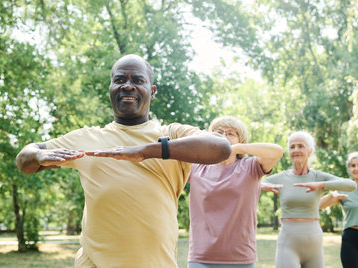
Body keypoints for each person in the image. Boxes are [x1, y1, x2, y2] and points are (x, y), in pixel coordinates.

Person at [15, 54, 232, 268]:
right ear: (110, 90)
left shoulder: (173, 134)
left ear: (152, 92)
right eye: (120, 80)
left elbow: (221, 147)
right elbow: (24, 160)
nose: (128, 86)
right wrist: (38, 155)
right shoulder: (87, 138)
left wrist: (145, 151)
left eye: (138, 80)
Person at [187, 116, 284, 268]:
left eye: (231, 134)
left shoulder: (250, 167)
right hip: (200, 257)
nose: (224, 137)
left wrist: (236, 148)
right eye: (218, 133)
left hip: (240, 259)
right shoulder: (196, 168)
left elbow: (277, 151)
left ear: (241, 140)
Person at [261, 131, 357, 268]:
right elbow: (253, 185)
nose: (296, 150)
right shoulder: (281, 178)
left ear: (310, 151)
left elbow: (351, 185)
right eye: (292, 147)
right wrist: (261, 186)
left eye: (301, 146)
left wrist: (322, 185)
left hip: (314, 241)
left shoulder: (318, 177)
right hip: (288, 240)